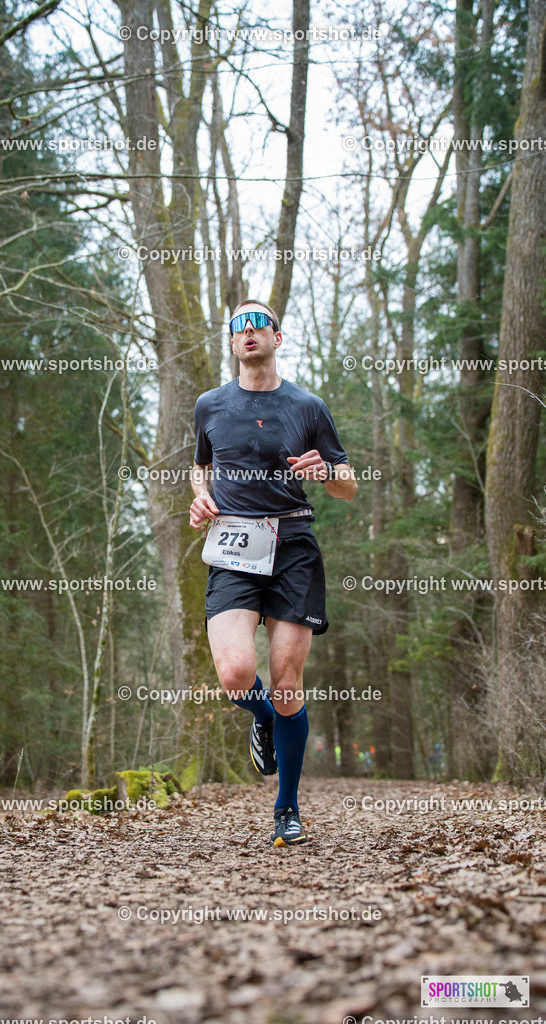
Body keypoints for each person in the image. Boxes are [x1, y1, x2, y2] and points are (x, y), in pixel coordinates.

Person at [189, 299, 357, 846]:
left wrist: (328, 469)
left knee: (287, 683)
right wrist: (200, 499)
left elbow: (348, 484)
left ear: (277, 338)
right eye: (236, 325)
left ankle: (286, 808)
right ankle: (261, 717)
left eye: (257, 322)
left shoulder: (307, 405)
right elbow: (201, 467)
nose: (247, 331)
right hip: (235, 544)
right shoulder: (210, 404)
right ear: (232, 343)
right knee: (236, 673)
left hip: (293, 545)